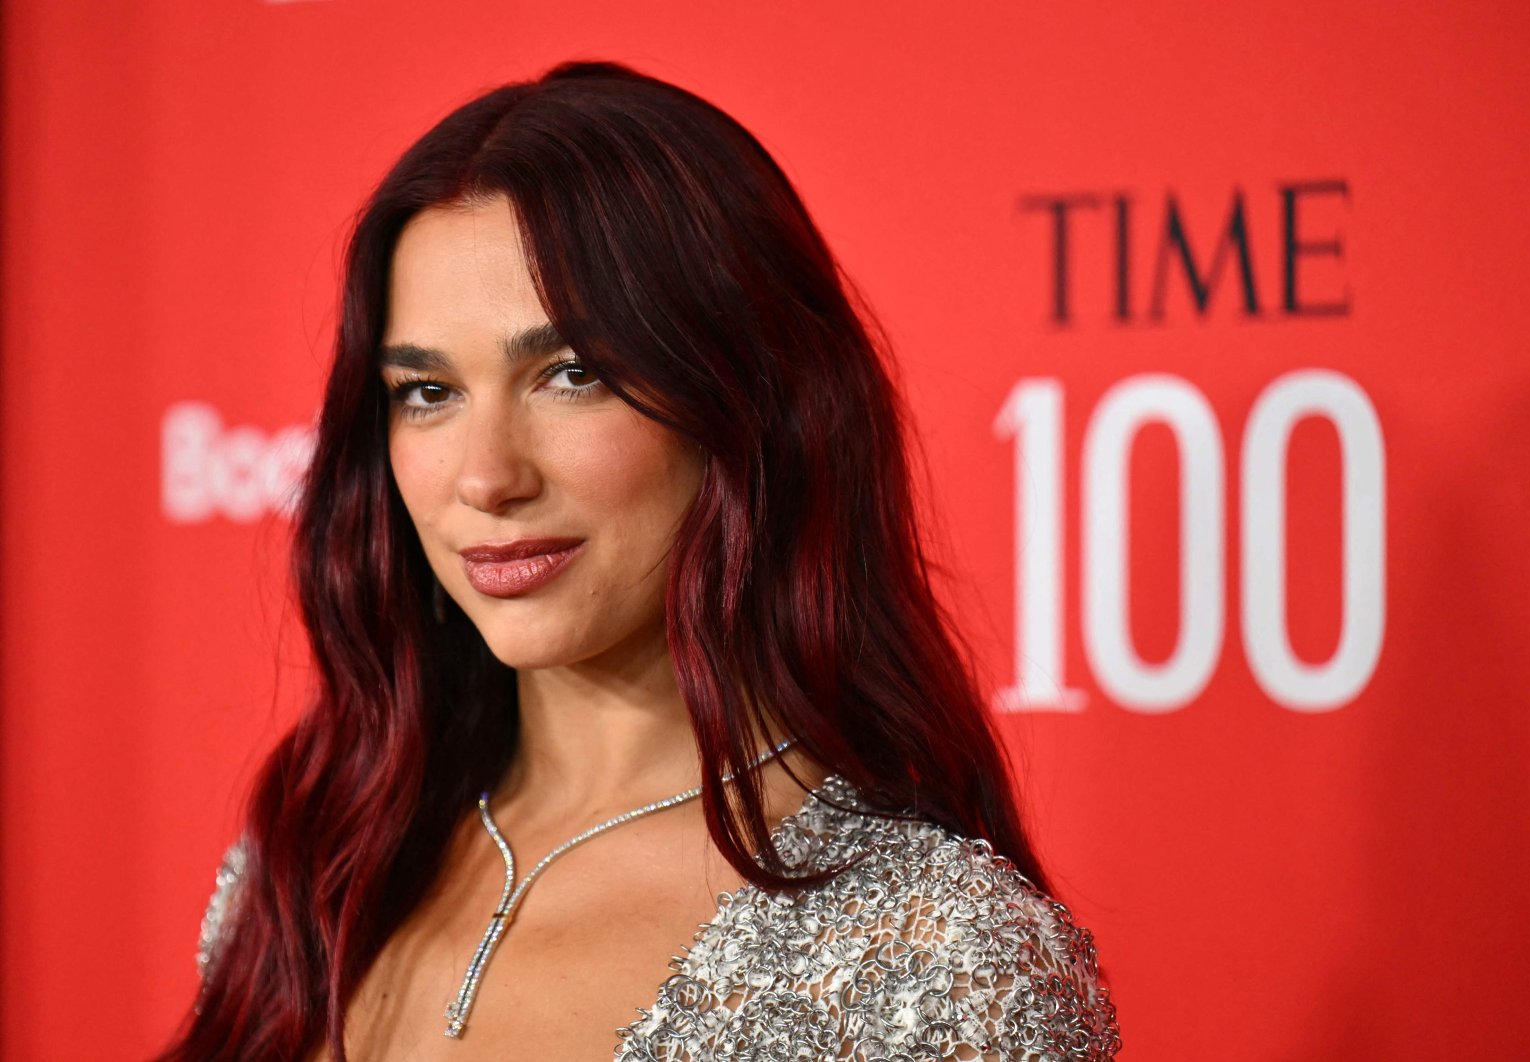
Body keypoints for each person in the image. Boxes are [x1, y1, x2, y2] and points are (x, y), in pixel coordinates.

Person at [161, 60, 1121, 1061]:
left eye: (571, 375)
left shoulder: (939, 959)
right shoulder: (312, 872)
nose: (486, 479)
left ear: (748, 404)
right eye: (427, 393)